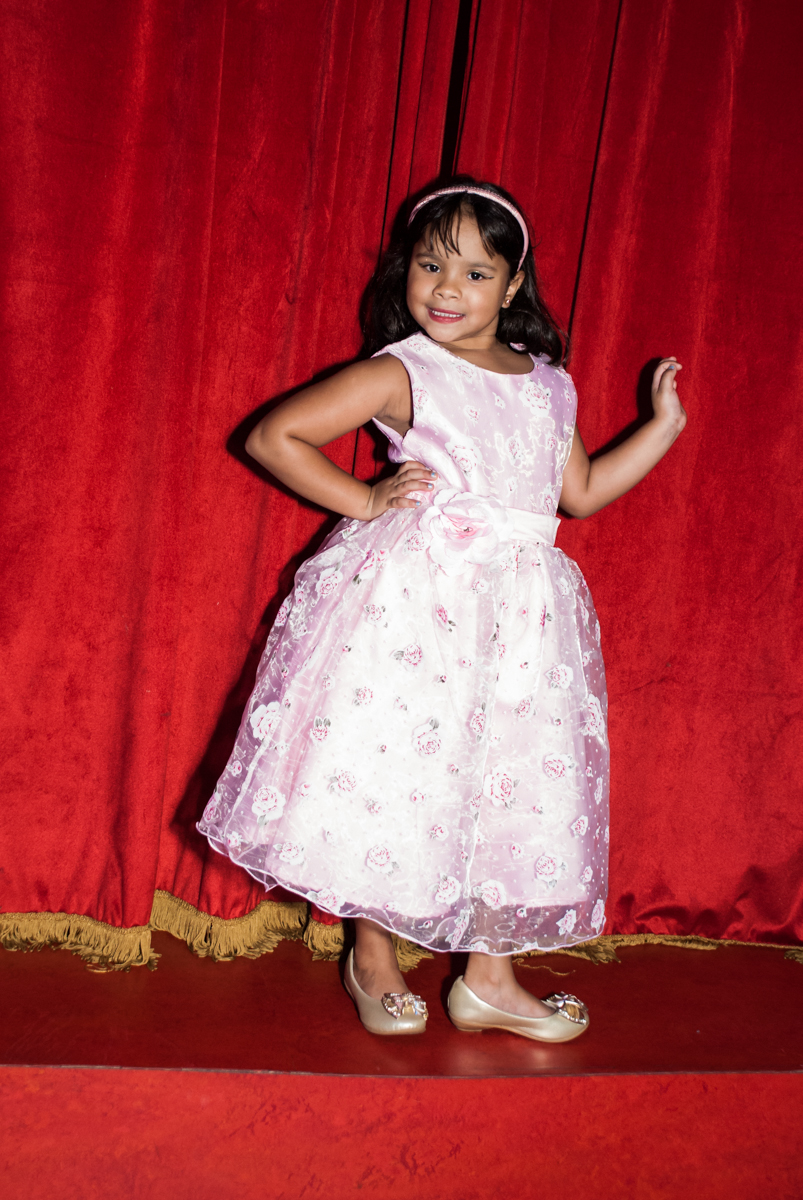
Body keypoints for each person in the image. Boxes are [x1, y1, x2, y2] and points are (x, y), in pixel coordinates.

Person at [197, 178, 686, 1041]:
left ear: (512, 285)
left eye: (472, 271)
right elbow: (275, 437)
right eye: (430, 265)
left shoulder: (550, 385)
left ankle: (489, 978)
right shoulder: (403, 370)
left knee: (512, 779)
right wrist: (366, 499)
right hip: (419, 604)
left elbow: (578, 493)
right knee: (397, 771)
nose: (446, 288)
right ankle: (372, 954)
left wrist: (660, 427)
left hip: (522, 617)